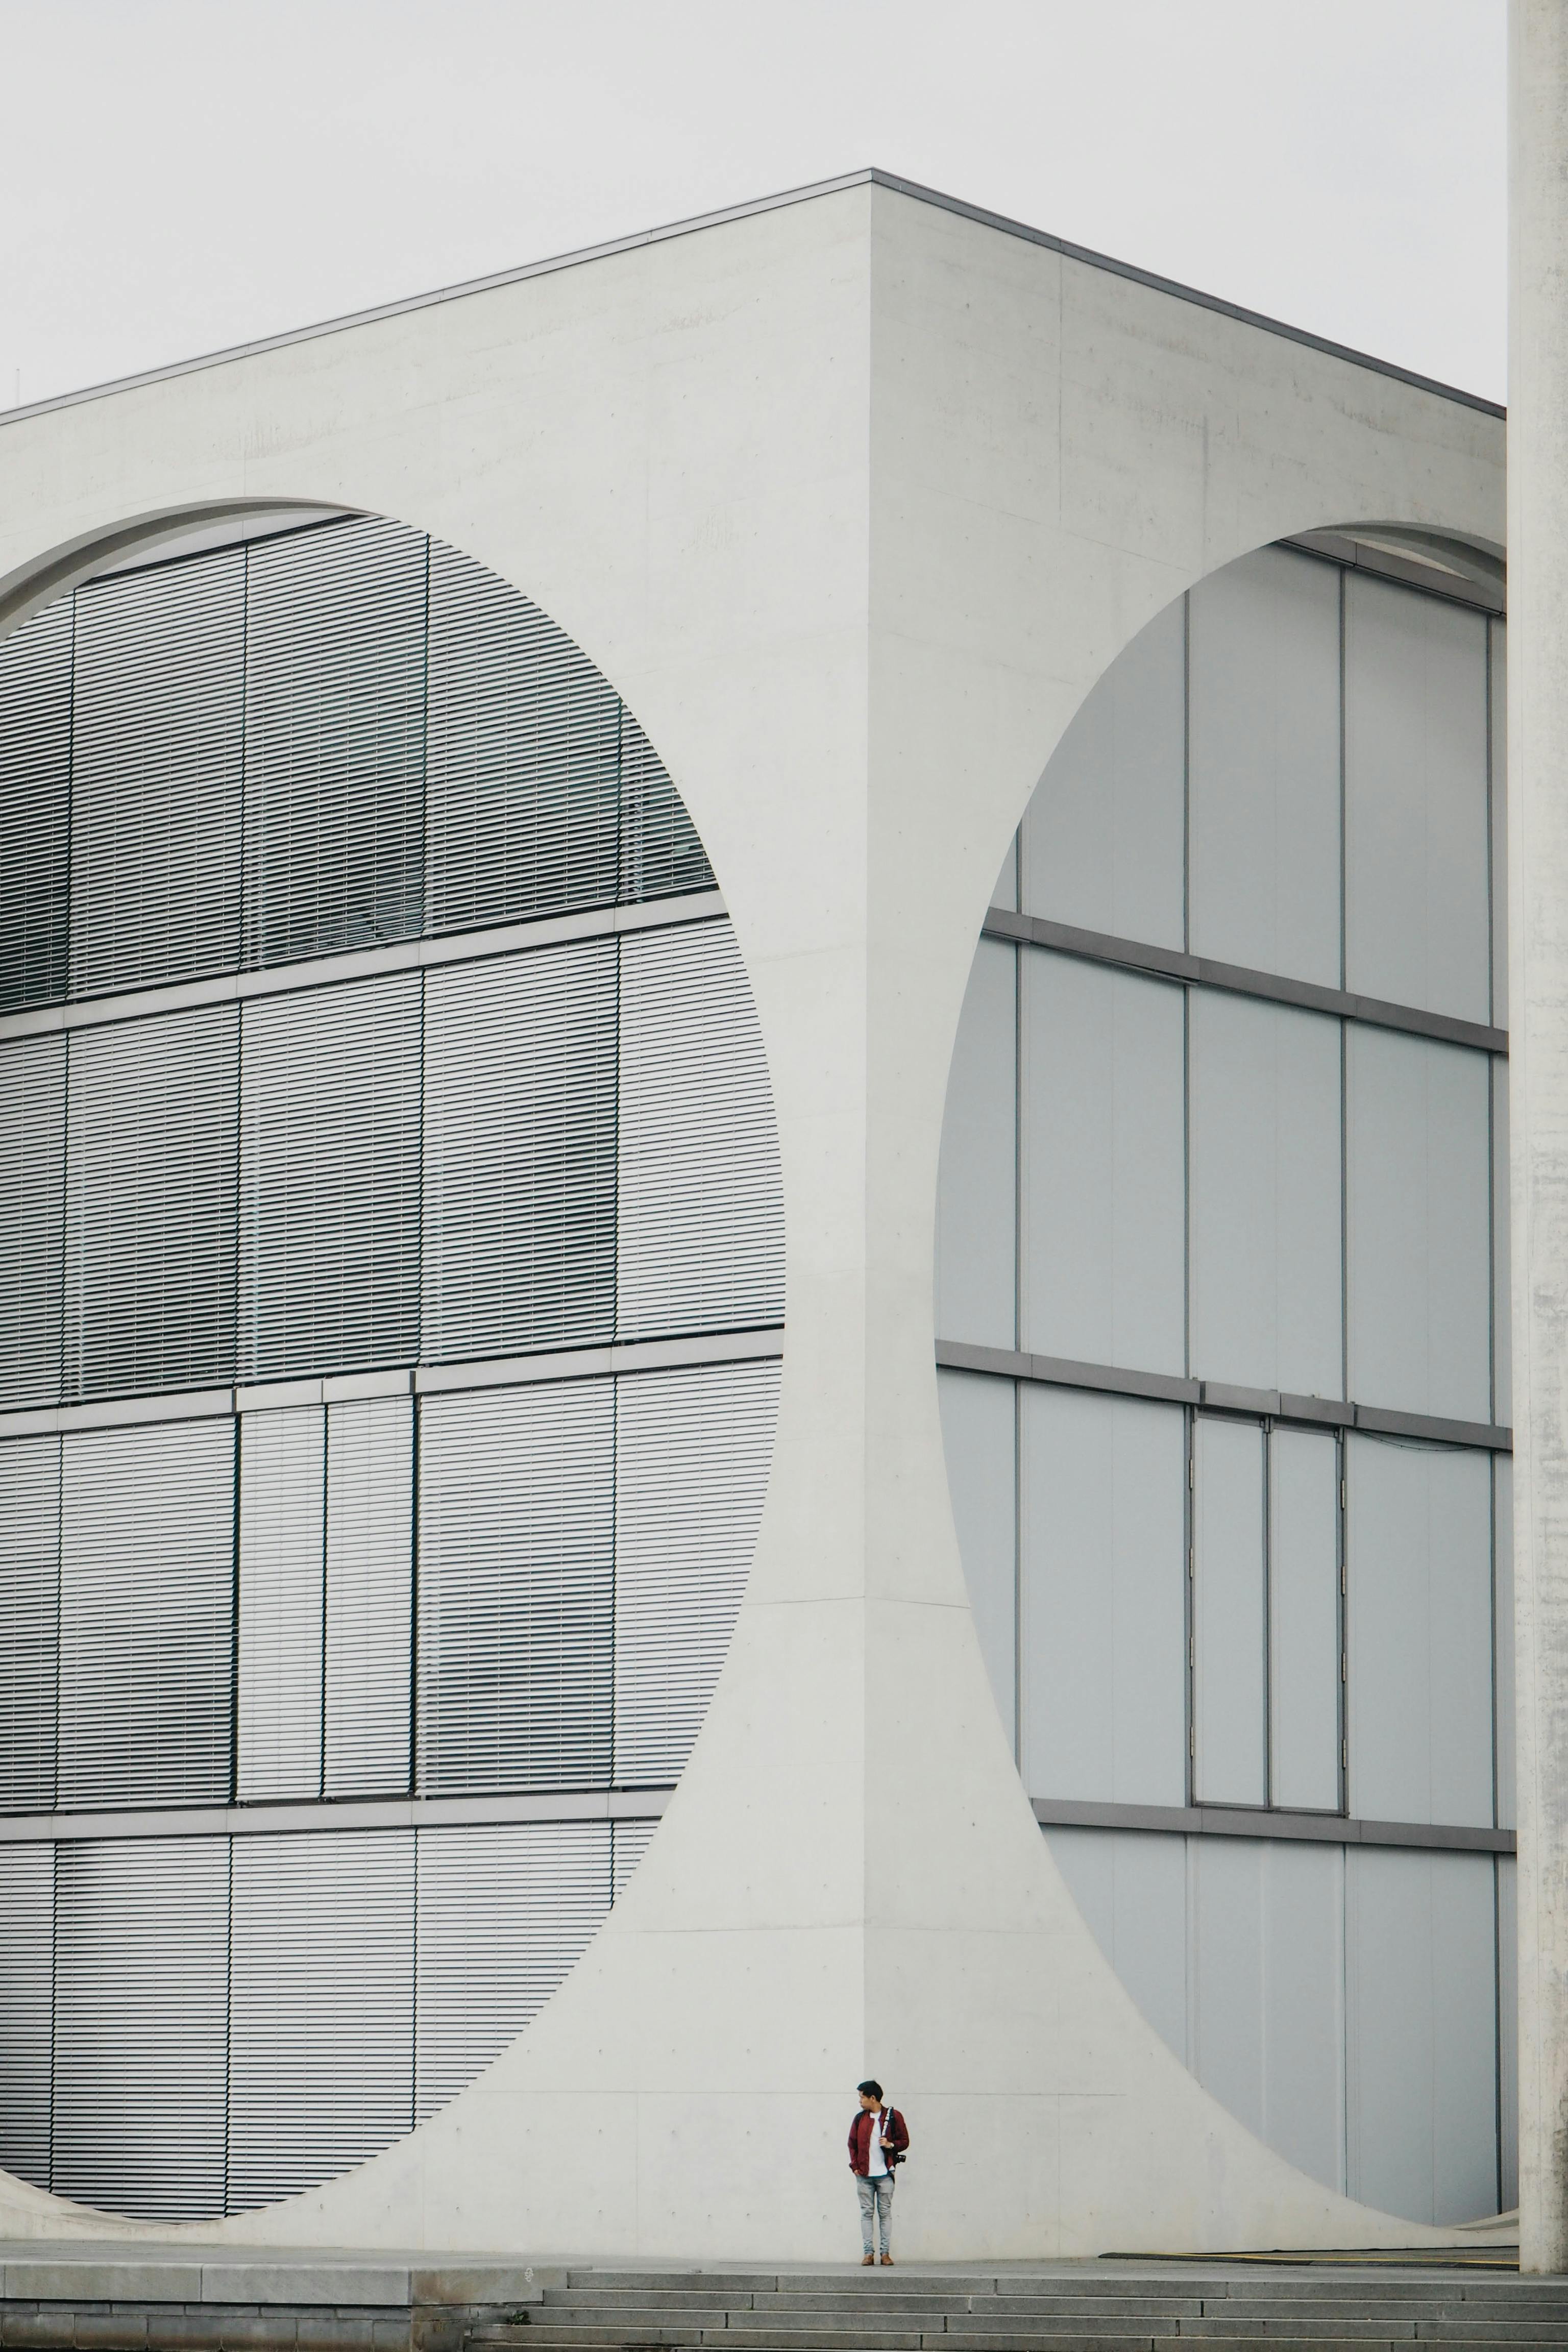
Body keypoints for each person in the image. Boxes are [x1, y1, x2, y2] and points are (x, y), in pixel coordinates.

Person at [847, 2079, 909, 2265]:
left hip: (885, 2175)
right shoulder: (860, 2119)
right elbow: (852, 2144)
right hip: (864, 2175)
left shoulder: (894, 2116)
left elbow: (904, 2141)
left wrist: (891, 2145)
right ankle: (868, 2254)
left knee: (885, 2213)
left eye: (862, 2097)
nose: (860, 2101)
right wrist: (855, 2167)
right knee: (866, 2213)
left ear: (873, 2098)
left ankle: (885, 2254)